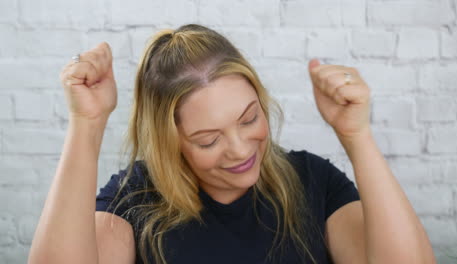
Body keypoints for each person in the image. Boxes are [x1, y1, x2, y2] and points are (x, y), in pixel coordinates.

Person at [28, 24, 436, 264]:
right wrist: (87, 124)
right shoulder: (135, 199)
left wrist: (356, 136)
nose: (241, 150)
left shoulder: (314, 182)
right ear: (170, 142)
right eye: (208, 140)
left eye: (249, 119)